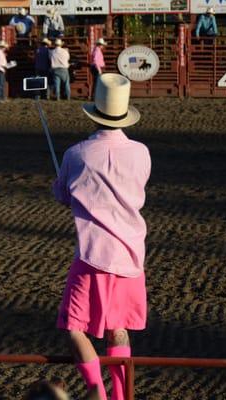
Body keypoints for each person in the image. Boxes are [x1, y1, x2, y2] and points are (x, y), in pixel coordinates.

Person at [53, 73, 150, 400]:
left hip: (93, 255)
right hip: (131, 255)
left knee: (74, 328)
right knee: (118, 328)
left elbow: (63, 196)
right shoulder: (141, 152)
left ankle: (97, 392)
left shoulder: (76, 154)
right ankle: (121, 396)